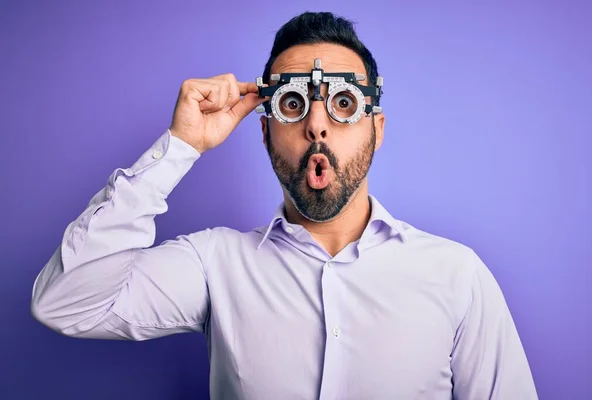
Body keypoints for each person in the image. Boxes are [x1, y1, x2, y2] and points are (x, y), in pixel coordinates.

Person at [31, 11, 538, 400]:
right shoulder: (216, 266)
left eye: (343, 104)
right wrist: (181, 146)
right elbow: (65, 301)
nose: (317, 126)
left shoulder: (456, 276)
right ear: (266, 128)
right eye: (294, 105)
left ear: (376, 129)